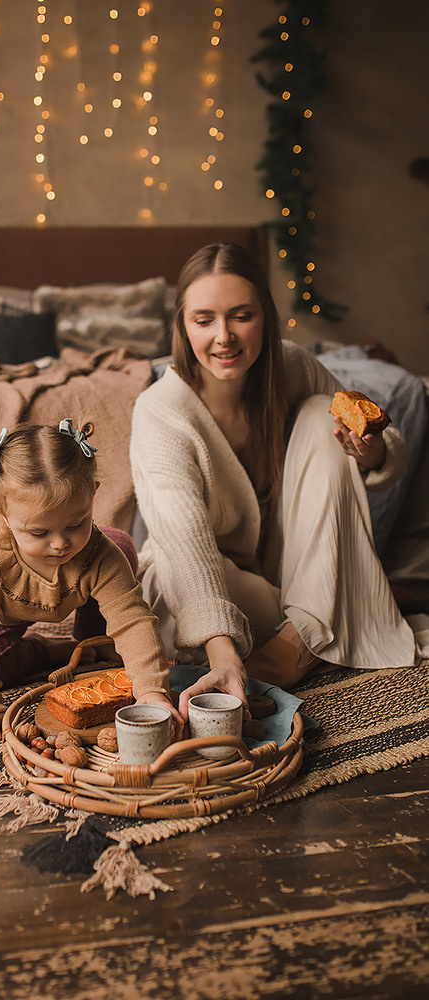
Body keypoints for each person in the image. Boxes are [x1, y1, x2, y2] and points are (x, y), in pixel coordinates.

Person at [129, 242, 419, 721]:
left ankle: (305, 633)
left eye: (241, 316)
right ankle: (329, 618)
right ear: (183, 324)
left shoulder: (295, 368)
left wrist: (372, 451)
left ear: (265, 315)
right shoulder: (160, 412)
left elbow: (389, 448)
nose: (224, 337)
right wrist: (223, 655)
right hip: (232, 596)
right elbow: (185, 541)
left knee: (319, 416)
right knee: (162, 578)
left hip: (303, 577)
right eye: (204, 320)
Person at [0, 418, 182, 740]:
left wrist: (151, 689)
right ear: (2, 513)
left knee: (117, 549)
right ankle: (51, 649)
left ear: (93, 495)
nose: (59, 543)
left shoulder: (95, 554)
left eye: (75, 523)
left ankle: (91, 639)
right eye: (39, 532)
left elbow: (134, 620)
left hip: (66, 588)